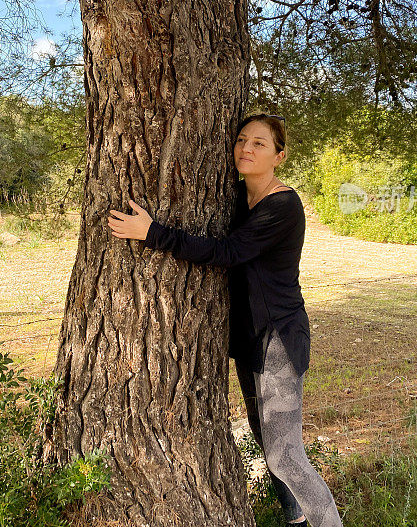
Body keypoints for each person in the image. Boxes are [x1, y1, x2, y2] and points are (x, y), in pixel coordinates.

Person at [107, 113, 343, 527]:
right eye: (241, 140)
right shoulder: (235, 195)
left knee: (286, 455)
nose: (247, 149)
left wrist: (153, 233)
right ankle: (298, 522)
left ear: (279, 156)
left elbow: (228, 253)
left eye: (260, 144)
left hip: (279, 340)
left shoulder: (283, 205)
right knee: (265, 442)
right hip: (248, 340)